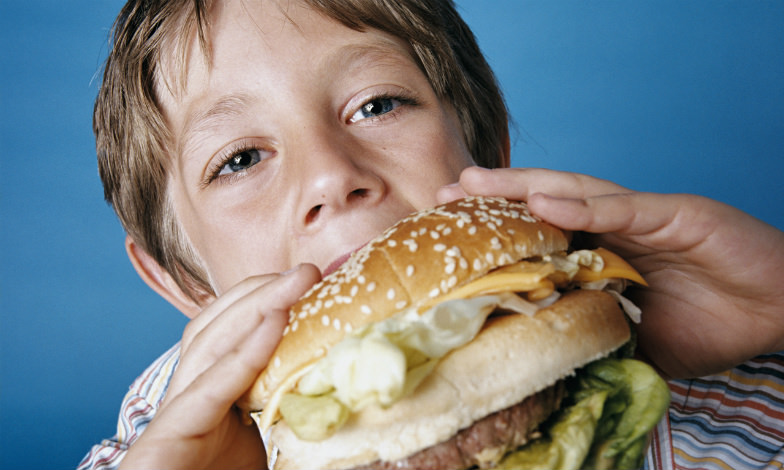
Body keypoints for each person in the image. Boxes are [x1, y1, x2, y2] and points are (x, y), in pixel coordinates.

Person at [78, 0, 784, 469]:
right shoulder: (166, 436)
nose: (331, 176)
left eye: (377, 104)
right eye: (239, 159)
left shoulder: (726, 388)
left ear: (488, 154)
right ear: (187, 284)